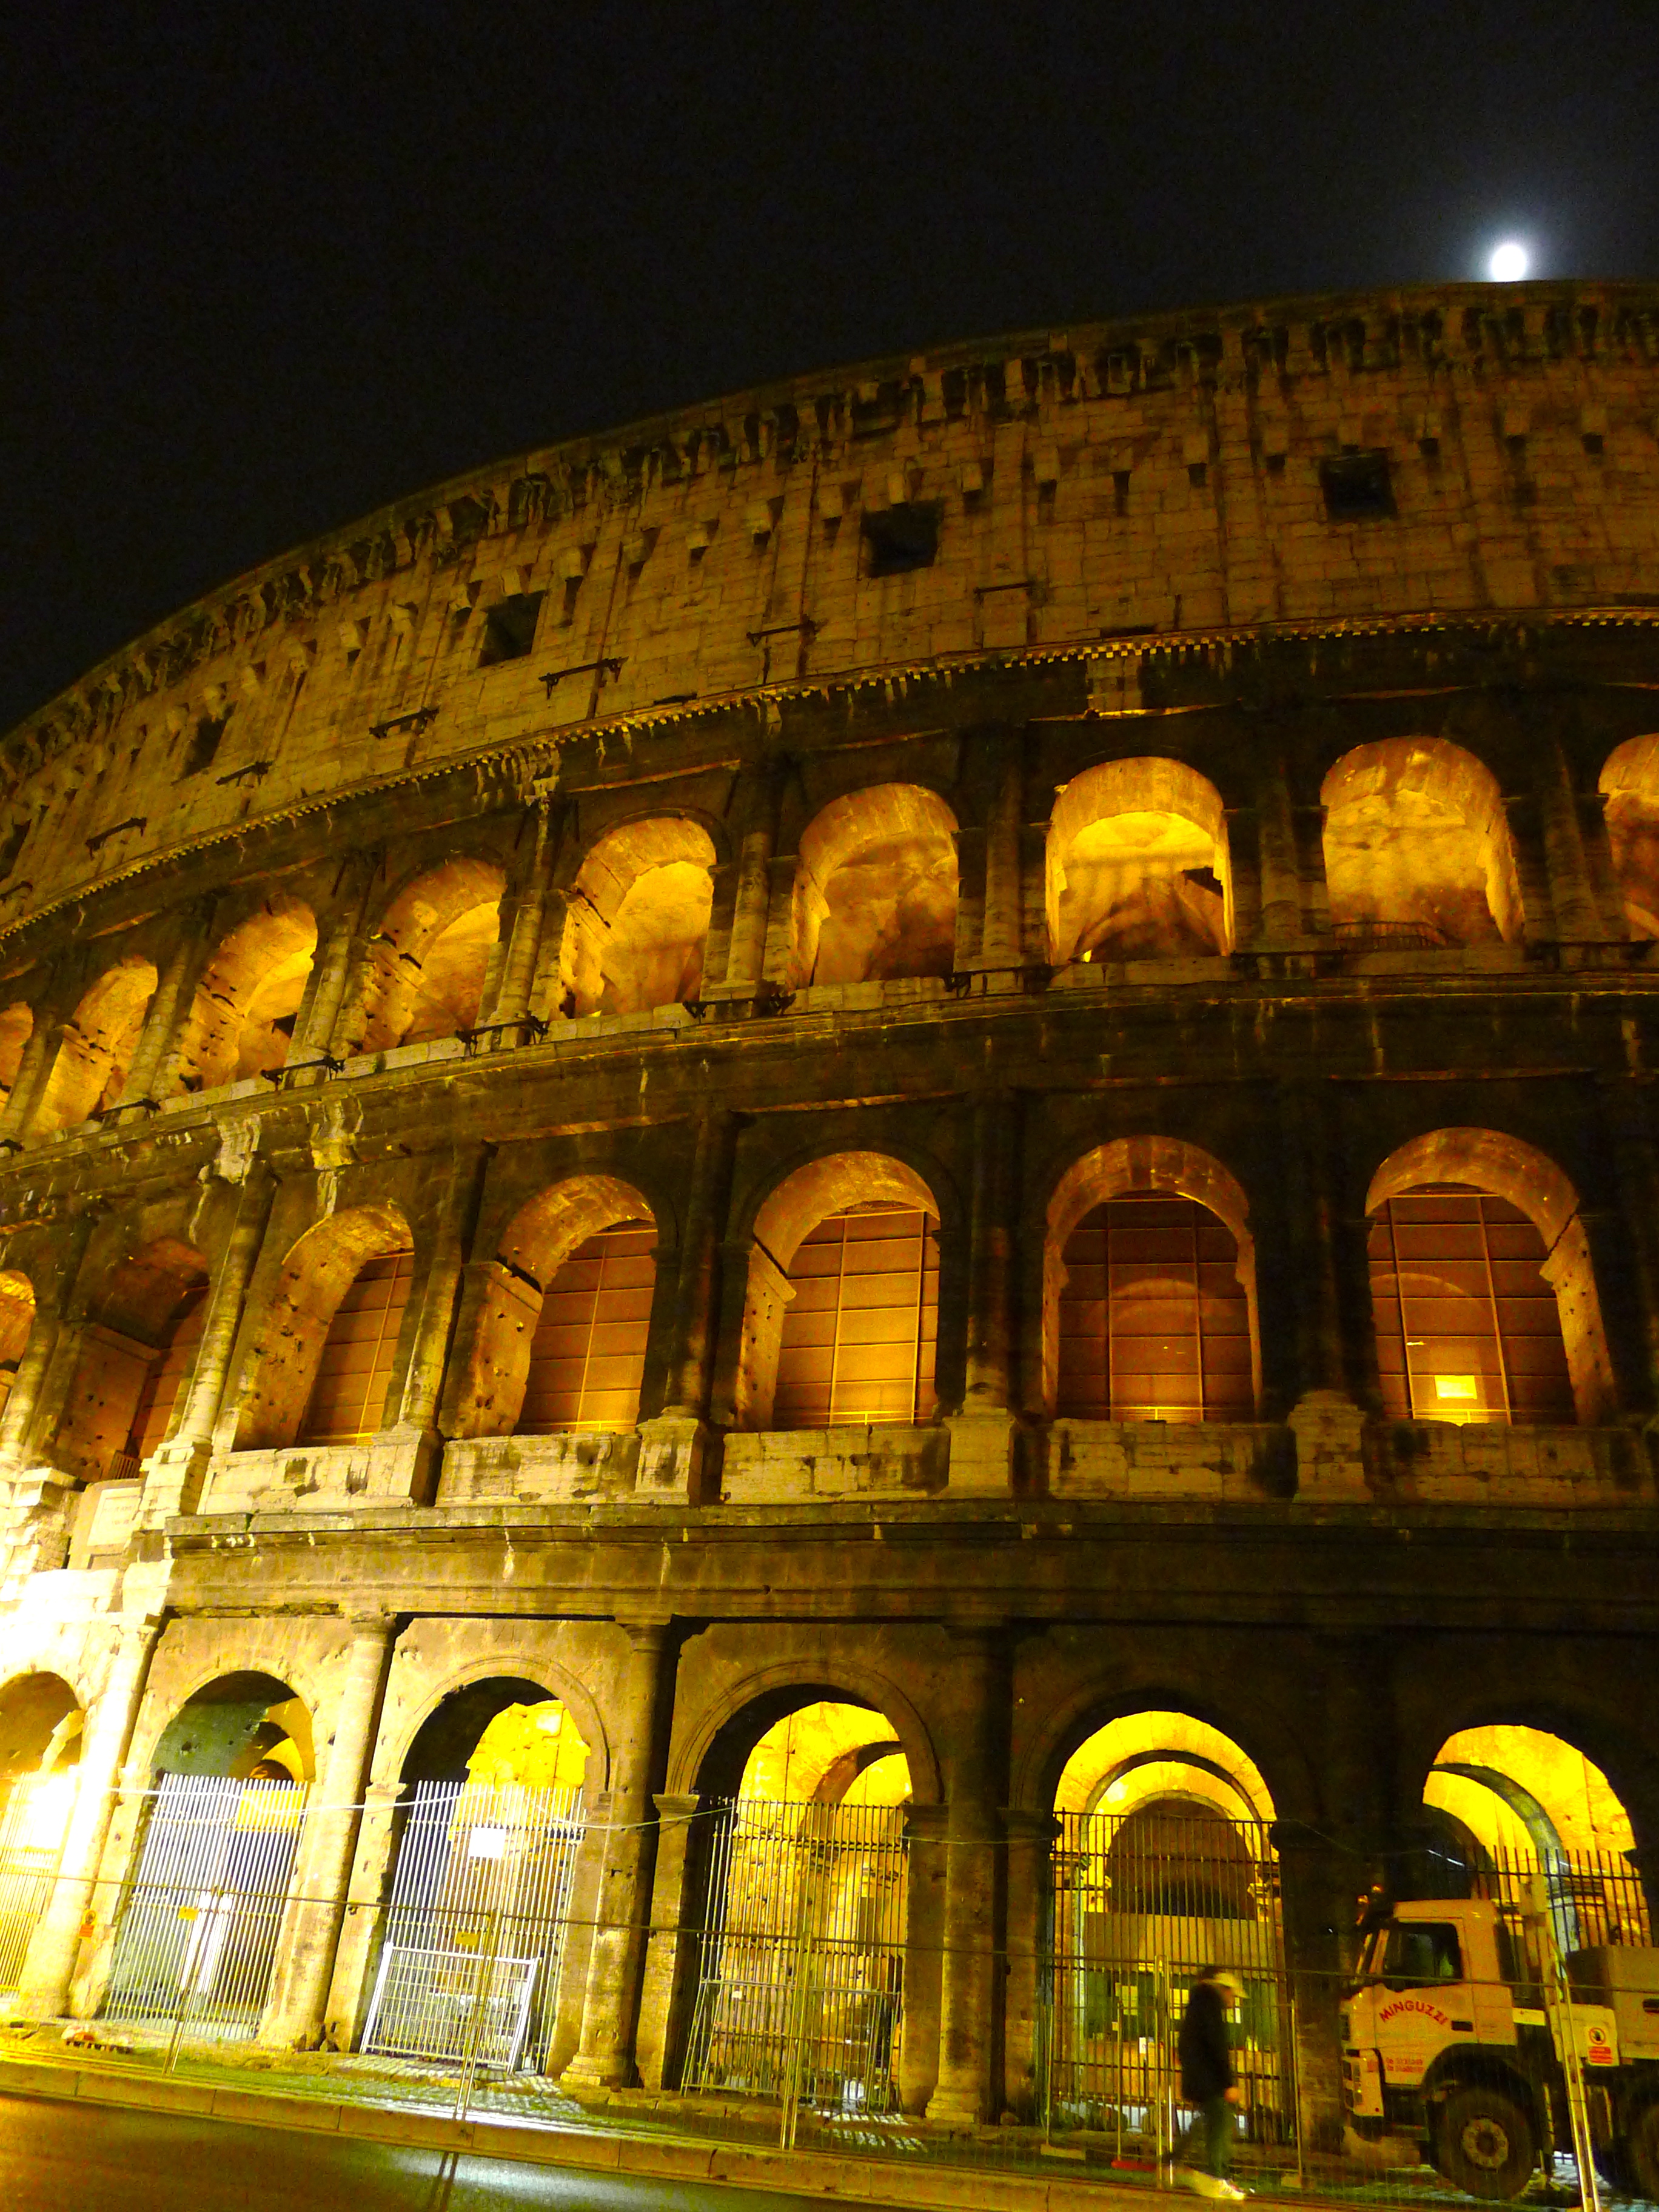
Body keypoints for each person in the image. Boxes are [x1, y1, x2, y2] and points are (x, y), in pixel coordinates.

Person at [1174, 1966, 1245, 2199]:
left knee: (1209, 2122)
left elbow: (1189, 2043)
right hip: (1210, 2080)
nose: (1233, 2000)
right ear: (1223, 1989)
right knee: (1219, 2123)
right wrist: (1228, 2083)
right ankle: (1216, 2176)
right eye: (1232, 1994)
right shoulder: (1209, 2006)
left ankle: (1175, 2161)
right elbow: (1217, 2047)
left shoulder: (1198, 2004)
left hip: (1200, 2077)